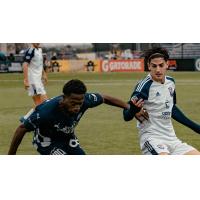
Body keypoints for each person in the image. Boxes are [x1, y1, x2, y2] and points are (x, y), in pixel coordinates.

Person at [8, 79, 145, 155]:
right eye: (73, 103)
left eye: (79, 103)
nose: (77, 107)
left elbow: (104, 98)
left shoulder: (85, 100)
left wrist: (130, 108)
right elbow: (21, 128)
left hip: (67, 138)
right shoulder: (46, 112)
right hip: (46, 142)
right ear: (64, 98)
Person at [123, 47, 200, 155]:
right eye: (154, 66)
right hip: (151, 138)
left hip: (172, 139)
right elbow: (126, 115)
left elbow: (172, 108)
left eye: (161, 65)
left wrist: (197, 128)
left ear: (167, 64)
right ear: (149, 66)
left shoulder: (171, 82)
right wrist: (133, 110)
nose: (158, 69)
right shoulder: (144, 86)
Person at [22, 43, 48, 121]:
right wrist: (26, 80)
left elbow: (40, 64)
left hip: (38, 80)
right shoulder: (30, 51)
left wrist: (44, 74)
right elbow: (25, 65)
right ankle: (28, 120)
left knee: (45, 102)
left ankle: (26, 118)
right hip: (33, 81)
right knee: (39, 104)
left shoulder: (39, 50)